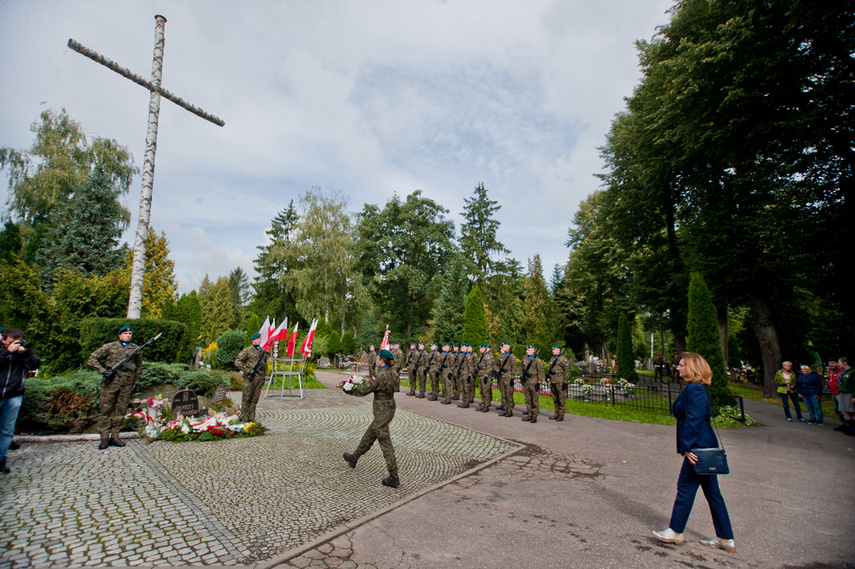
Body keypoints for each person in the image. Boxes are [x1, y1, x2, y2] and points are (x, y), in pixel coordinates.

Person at [653, 352, 735, 552]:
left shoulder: (695, 389)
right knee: (713, 493)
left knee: (685, 487)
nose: (678, 368)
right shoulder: (697, 388)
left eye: (681, 365)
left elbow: (695, 420)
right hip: (703, 446)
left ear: (692, 368)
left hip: (698, 447)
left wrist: (687, 447)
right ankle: (726, 538)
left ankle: (675, 532)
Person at [343, 349, 400, 488]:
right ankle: (354, 457)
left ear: (382, 360)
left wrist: (349, 389)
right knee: (371, 433)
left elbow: (364, 390)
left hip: (381, 409)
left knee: (385, 442)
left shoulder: (379, 376)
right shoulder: (394, 373)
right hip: (390, 406)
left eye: (378, 359)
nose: (377, 361)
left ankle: (394, 476)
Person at [88, 325, 142, 450]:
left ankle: (115, 436)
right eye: (125, 333)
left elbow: (139, 366)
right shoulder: (110, 347)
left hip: (127, 384)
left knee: (120, 410)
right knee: (106, 409)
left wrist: (135, 382)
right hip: (111, 383)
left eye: (130, 333)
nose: (128, 335)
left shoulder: (135, 349)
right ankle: (104, 437)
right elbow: (92, 359)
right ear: (119, 335)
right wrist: (102, 371)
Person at [0, 328, 40, 473]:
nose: (16, 345)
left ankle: (1, 459)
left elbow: (35, 364)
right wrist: (8, 352)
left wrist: (25, 354)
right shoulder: (4, 350)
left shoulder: (25, 349)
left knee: (7, 429)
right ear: (4, 340)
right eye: (12, 342)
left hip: (14, 393)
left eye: (18, 341)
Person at [234, 333, 269, 423]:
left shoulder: (262, 351)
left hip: (259, 378)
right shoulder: (247, 351)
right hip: (250, 378)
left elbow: (265, 364)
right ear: (253, 340)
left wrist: (264, 376)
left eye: (260, 339)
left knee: (254, 399)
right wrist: (247, 370)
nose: (259, 340)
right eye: (257, 339)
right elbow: (237, 362)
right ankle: (244, 418)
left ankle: (252, 417)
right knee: (246, 399)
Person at [520, 345, 544, 423]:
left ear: (533, 350)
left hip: (534, 382)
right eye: (527, 350)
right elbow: (521, 368)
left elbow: (540, 372)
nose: (527, 351)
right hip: (527, 382)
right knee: (528, 399)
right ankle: (529, 414)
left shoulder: (537, 360)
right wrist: (521, 376)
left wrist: (539, 382)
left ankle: (534, 415)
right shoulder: (525, 358)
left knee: (534, 400)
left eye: (529, 350)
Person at [546, 345, 570, 421]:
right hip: (553, 381)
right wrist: (547, 375)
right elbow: (550, 368)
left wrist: (565, 382)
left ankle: (561, 414)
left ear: (558, 350)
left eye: (554, 349)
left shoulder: (563, 359)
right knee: (555, 398)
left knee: (561, 399)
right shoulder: (553, 359)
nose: (553, 351)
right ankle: (556, 413)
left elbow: (567, 371)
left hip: (560, 381)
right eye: (552, 350)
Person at [495, 342, 516, 416]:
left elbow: (514, 368)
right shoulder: (501, 356)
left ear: (509, 347)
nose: (503, 347)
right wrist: (497, 371)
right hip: (502, 377)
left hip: (508, 377)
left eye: (505, 346)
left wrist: (512, 378)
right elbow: (496, 364)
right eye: (503, 346)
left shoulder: (511, 356)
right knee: (503, 394)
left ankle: (510, 410)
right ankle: (505, 409)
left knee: (509, 394)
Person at [836, 357, 855, 436]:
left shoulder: (853, 372)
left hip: (850, 393)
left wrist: (854, 396)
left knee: (852, 411)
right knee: (844, 411)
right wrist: (838, 393)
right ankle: (850, 426)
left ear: (845, 363)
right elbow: (840, 383)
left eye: (839, 362)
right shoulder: (843, 372)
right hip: (842, 393)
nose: (838, 364)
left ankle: (853, 428)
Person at [476, 344, 494, 413]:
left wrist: (486, 375)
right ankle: (483, 404)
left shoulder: (488, 357)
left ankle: (486, 406)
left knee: (486, 391)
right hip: (481, 375)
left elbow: (490, 368)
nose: (480, 350)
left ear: (485, 349)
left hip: (485, 376)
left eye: (481, 348)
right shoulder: (482, 356)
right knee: (481, 391)